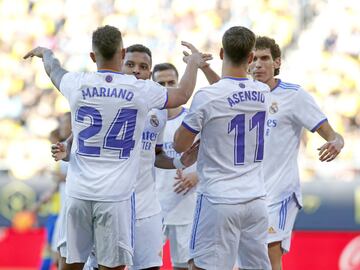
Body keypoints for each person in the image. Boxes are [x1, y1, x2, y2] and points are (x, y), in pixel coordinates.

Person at [24, 25, 204, 270]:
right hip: (115, 196)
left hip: (79, 193)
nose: (137, 71)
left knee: (70, 263)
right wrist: (193, 63)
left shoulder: (77, 82)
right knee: (111, 265)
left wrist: (47, 54)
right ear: (122, 54)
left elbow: (55, 71)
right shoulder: (142, 90)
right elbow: (182, 94)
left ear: (92, 56)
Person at [173, 26, 271, 270]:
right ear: (250, 58)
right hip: (256, 200)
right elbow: (230, 92)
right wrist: (205, 68)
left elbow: (179, 144)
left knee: (201, 266)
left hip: (219, 199)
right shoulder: (263, 91)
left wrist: (196, 66)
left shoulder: (207, 97)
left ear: (220, 52)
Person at [248, 36, 344, 270]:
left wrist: (336, 140)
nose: (258, 64)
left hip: (280, 192)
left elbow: (330, 132)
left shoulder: (294, 95)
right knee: (248, 259)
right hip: (247, 192)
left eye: (265, 58)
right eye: (254, 58)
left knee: (270, 254)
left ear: (277, 62)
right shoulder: (243, 94)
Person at [153, 63, 198, 270]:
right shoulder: (147, 120)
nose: (167, 87)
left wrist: (196, 176)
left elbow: (213, 155)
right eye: (161, 83)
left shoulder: (193, 119)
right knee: (145, 263)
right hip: (152, 206)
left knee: (184, 265)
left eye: (172, 82)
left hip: (186, 206)